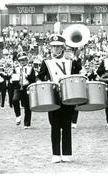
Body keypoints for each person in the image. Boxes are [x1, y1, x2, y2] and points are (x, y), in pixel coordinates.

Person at [37, 34, 82, 163]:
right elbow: (40, 77)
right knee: (55, 125)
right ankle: (56, 154)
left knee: (67, 125)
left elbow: (78, 73)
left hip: (68, 96)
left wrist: (77, 60)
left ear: (63, 48)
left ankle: (67, 153)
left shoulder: (70, 61)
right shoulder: (46, 62)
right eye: (53, 47)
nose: (55, 49)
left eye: (58, 47)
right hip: (53, 97)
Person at [12, 52, 36, 128]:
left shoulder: (30, 68)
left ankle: (27, 123)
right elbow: (13, 78)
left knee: (27, 106)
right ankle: (18, 115)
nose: (22, 62)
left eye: (24, 60)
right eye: (20, 60)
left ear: (26, 60)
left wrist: (27, 76)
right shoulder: (16, 68)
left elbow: (33, 80)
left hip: (27, 87)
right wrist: (14, 80)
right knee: (15, 100)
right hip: (18, 87)